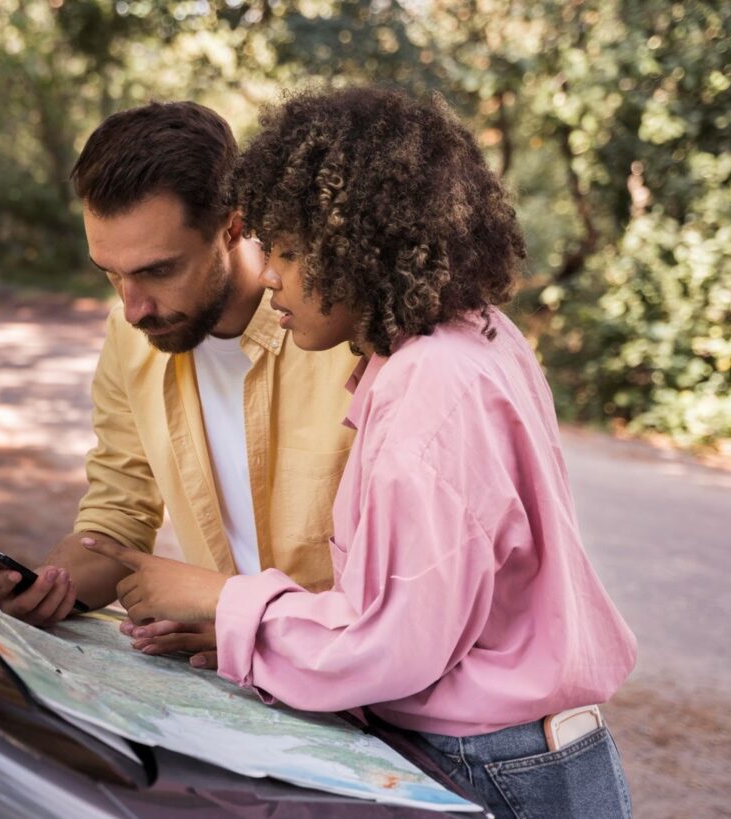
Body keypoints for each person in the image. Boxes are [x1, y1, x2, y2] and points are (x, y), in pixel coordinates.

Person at [85, 87, 637, 818]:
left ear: (358, 248)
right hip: (508, 755)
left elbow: (391, 643)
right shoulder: (470, 339)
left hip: (491, 767)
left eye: (286, 250)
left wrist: (223, 602)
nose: (272, 272)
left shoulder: (427, 389)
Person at [0, 101, 358, 667]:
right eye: (111, 274)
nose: (132, 309)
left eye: (157, 271)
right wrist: (51, 586)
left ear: (233, 226)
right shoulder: (130, 335)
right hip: (241, 673)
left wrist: (247, 625)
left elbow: (403, 597)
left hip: (351, 680)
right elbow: (119, 515)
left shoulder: (347, 335)